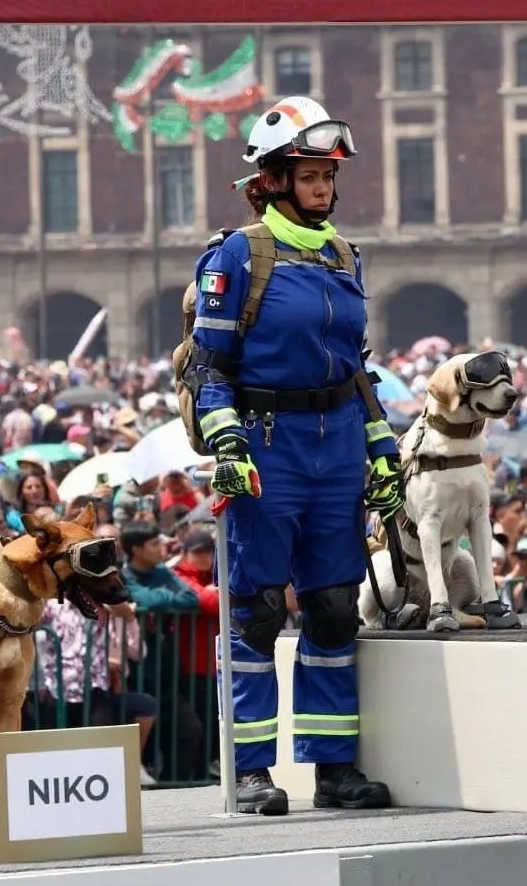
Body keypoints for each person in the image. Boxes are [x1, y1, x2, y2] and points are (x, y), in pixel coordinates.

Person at [187, 96, 401, 815]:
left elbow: (357, 367)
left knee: (336, 610)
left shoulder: (346, 254)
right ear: (272, 179)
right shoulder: (237, 254)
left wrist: (383, 449)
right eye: (307, 174)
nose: (321, 187)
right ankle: (251, 771)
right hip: (266, 447)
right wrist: (224, 440)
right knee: (253, 614)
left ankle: (333, 768)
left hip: (337, 442)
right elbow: (207, 368)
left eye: (327, 175)